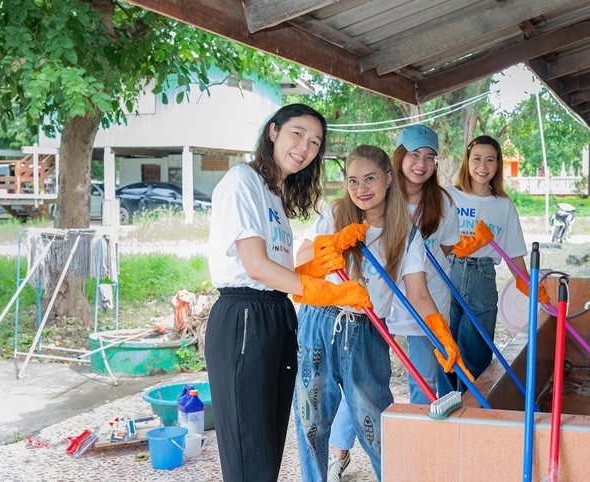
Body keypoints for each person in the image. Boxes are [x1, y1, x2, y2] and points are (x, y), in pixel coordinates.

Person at [205, 104, 372, 482]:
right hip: (244, 315)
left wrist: (318, 263)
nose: (305, 147)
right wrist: (327, 294)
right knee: (250, 451)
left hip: (276, 313)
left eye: (315, 142)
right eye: (297, 133)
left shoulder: (273, 196)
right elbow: (256, 267)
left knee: (268, 449)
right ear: (273, 132)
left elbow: (277, 268)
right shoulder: (241, 181)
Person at [293, 144, 462, 482]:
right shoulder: (336, 214)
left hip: (368, 329)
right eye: (353, 181)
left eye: (370, 178)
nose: (361, 189)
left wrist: (439, 332)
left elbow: (418, 293)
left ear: (388, 179)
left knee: (374, 418)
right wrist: (334, 244)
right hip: (319, 321)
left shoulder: (406, 233)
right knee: (312, 418)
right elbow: (301, 265)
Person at [438, 135, 550, 396]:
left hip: (483, 277)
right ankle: (447, 407)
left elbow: (514, 255)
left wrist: (530, 286)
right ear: (467, 161)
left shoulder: (503, 205)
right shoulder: (448, 197)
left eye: (490, 160)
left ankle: (474, 408)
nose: (483, 166)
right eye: (477, 158)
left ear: (498, 165)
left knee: (476, 349)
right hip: (448, 273)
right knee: (445, 348)